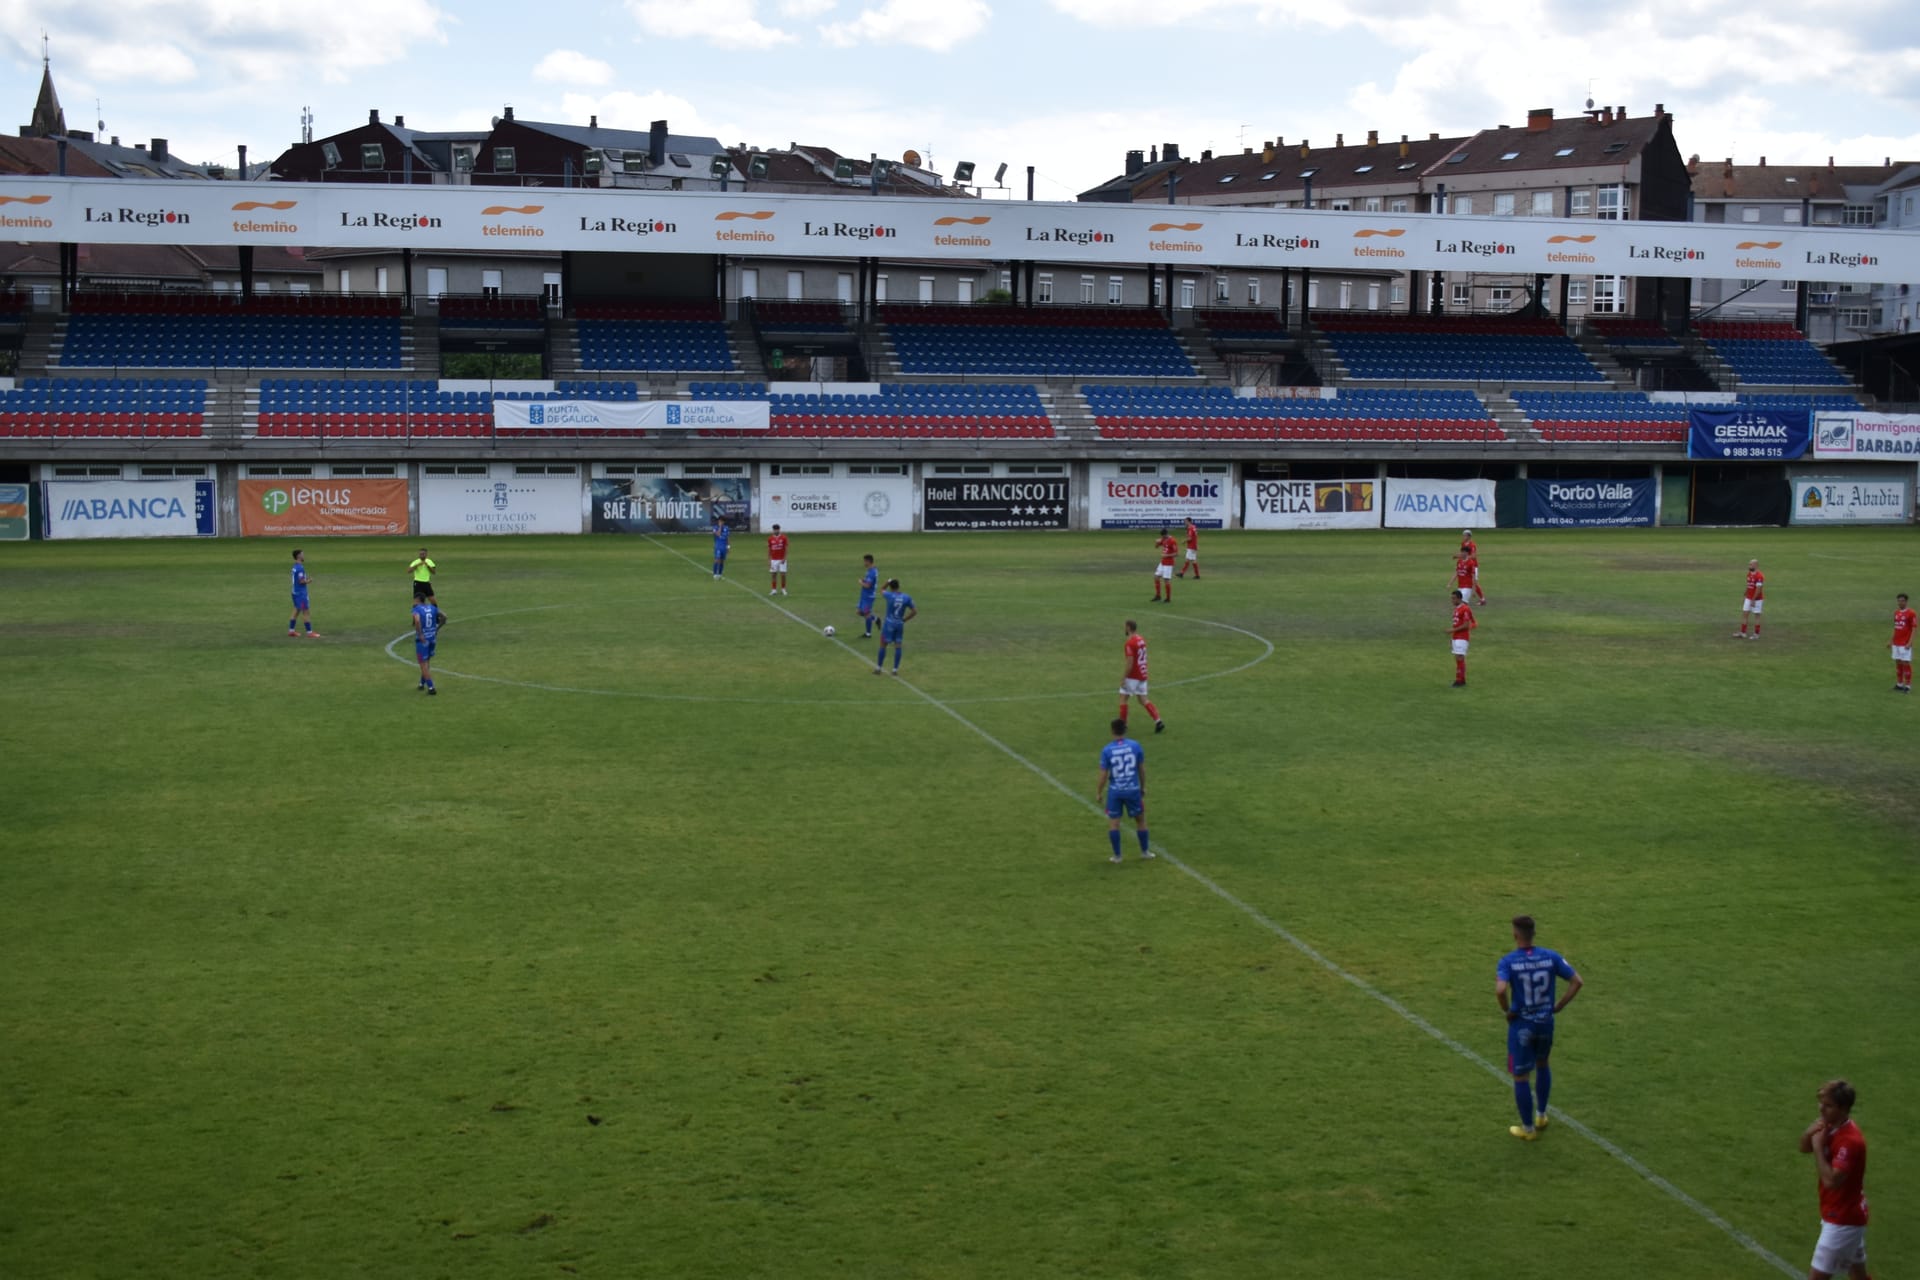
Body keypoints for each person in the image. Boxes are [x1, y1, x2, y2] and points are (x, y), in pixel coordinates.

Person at [1495, 914, 1582, 1141]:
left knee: (1521, 1076)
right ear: (1533, 934)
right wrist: (1559, 1005)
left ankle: (1528, 1129)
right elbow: (1577, 981)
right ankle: (1541, 1115)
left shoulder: (1508, 961)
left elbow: (1500, 990)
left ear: (1515, 935)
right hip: (1545, 1023)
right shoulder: (1550, 957)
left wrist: (1507, 1011)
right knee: (1543, 1064)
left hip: (1522, 1026)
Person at [1799, 1079, 1872, 1280]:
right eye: (1821, 1103)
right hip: (1845, 1212)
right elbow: (1803, 1147)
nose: (1821, 1109)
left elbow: (1832, 1181)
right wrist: (1810, 1134)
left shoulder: (1850, 1142)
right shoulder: (1829, 1125)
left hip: (1843, 1221)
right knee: (1858, 1275)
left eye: (1828, 1105)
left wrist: (1817, 1147)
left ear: (1843, 1108)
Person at [1096, 718, 1153, 864]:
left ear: (1112, 731)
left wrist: (1099, 792)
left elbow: (1103, 774)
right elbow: (1141, 769)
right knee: (1140, 820)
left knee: (1114, 823)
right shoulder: (1135, 746)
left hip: (1115, 792)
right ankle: (1145, 852)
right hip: (1133, 790)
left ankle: (1117, 856)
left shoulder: (1107, 750)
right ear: (1125, 730)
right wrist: (1143, 786)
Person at [1118, 618, 1165, 734]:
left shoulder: (1130, 643)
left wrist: (1124, 678)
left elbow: (1130, 662)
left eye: (1125, 626)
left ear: (1128, 627)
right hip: (1143, 674)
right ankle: (1158, 721)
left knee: (1123, 699)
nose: (1124, 628)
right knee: (1143, 699)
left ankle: (1123, 726)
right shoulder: (1141, 639)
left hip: (1133, 676)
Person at [874, 578, 916, 676]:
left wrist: (887, 582)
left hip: (889, 624)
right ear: (899, 586)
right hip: (899, 624)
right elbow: (914, 611)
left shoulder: (889, 595)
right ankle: (894, 670)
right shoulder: (906, 597)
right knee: (898, 646)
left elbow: (881, 590)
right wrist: (904, 620)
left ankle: (878, 668)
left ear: (891, 587)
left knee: (883, 644)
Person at [411, 596, 441, 695]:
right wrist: (437, 629)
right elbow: (445, 617)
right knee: (427, 662)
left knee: (423, 665)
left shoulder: (416, 609)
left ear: (417, 600)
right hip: (432, 639)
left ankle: (431, 687)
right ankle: (421, 684)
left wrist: (420, 634)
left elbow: (417, 620)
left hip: (422, 641)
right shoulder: (433, 608)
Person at [287, 548, 319, 638]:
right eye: (302, 554)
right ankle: (309, 633)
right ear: (298, 556)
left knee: (296, 611)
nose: (304, 556)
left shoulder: (295, 566)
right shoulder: (300, 568)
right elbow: (301, 581)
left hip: (295, 592)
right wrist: (308, 581)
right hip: (301, 594)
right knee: (306, 612)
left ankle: (291, 631)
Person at [1450, 589, 1478, 688]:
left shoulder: (1464, 609)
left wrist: (1452, 630)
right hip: (1456, 637)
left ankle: (1460, 681)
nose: (1452, 600)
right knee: (1458, 658)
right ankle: (1461, 679)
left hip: (1462, 637)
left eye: (1454, 598)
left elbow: (1466, 625)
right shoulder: (1457, 608)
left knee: (1460, 658)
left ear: (1459, 598)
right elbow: (1474, 622)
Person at [1889, 593, 1914, 693]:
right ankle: (1899, 684)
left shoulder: (1911, 613)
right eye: (1899, 601)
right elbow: (1896, 628)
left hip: (1905, 643)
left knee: (1905, 663)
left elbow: (1914, 629)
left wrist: (1910, 642)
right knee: (1898, 662)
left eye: (1902, 601)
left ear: (1906, 601)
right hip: (1896, 643)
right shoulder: (1896, 613)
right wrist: (1891, 640)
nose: (1900, 602)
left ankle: (1907, 686)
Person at [1738, 558, 1765, 639]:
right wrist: (1745, 595)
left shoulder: (1759, 576)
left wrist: (1753, 599)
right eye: (1749, 564)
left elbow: (1758, 589)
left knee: (1756, 616)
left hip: (1757, 599)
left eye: (1751, 564)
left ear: (1756, 565)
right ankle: (1743, 632)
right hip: (1748, 598)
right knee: (1745, 614)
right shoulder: (1749, 574)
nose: (1749, 566)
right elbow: (1748, 586)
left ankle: (1756, 634)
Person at [1152, 526, 1178, 603]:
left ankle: (1168, 598)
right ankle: (1158, 595)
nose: (1162, 537)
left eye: (1163, 536)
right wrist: (1156, 543)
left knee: (1166, 580)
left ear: (1166, 534)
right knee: (1156, 577)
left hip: (1169, 563)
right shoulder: (1163, 539)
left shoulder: (1172, 541)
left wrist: (1167, 555)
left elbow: (1176, 553)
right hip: (1163, 562)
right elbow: (1156, 547)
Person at [857, 554, 880, 638]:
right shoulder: (871, 570)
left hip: (868, 597)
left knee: (866, 614)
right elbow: (868, 582)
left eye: (864, 561)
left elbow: (868, 586)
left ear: (868, 561)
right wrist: (864, 580)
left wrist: (861, 582)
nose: (864, 563)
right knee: (859, 612)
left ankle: (868, 633)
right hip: (864, 596)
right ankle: (875, 619)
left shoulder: (872, 572)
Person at [767, 523, 789, 596]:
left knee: (783, 575)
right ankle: (774, 590)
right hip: (773, 559)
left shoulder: (783, 538)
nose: (776, 531)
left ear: (779, 530)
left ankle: (783, 589)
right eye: (774, 530)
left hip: (782, 559)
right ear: (773, 530)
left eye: (777, 529)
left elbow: (786, 548)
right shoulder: (770, 539)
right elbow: (769, 549)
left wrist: (784, 558)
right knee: (773, 575)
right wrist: (769, 560)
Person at [711, 515, 731, 580]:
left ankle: (719, 574)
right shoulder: (715, 528)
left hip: (724, 547)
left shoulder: (727, 528)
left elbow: (727, 538)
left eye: (722, 521)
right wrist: (720, 527)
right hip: (718, 546)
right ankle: (714, 574)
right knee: (717, 560)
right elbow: (718, 534)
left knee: (722, 561)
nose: (721, 522)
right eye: (720, 521)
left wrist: (728, 547)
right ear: (718, 521)